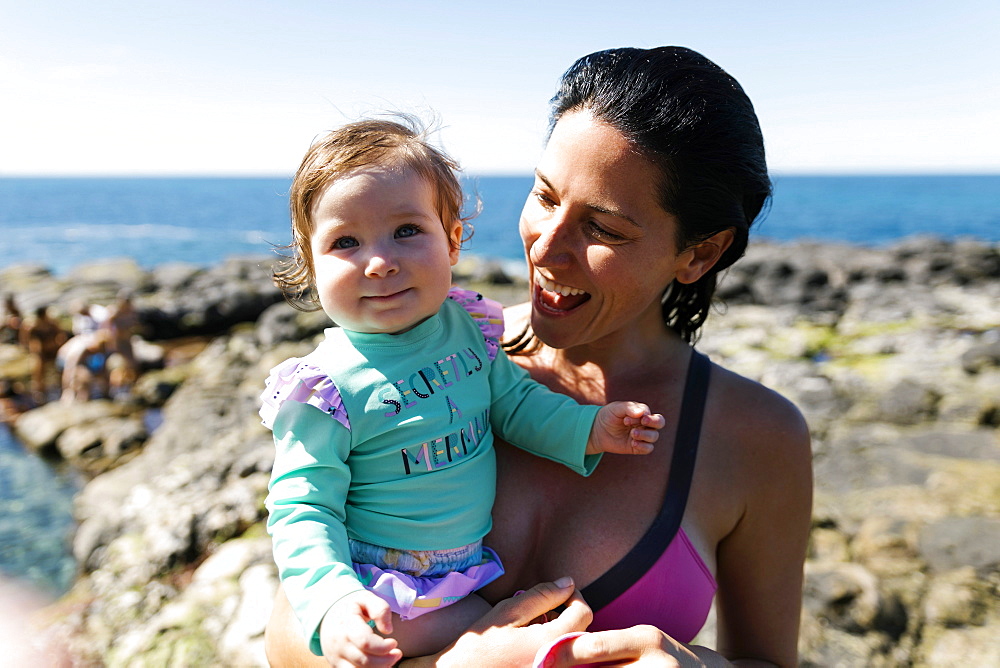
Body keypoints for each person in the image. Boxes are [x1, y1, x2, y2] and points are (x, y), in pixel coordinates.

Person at [265, 46, 813, 668]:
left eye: (604, 228)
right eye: (546, 197)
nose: (546, 250)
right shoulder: (421, 358)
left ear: (700, 253)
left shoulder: (759, 437)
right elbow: (289, 632)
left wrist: (693, 665)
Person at [261, 117, 666, 665]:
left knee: (545, 637)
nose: (380, 261)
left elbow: (514, 404)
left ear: (452, 242)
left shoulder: (470, 327)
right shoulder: (325, 387)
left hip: (462, 575)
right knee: (542, 643)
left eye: (407, 230)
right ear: (310, 267)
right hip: (379, 588)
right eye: (346, 242)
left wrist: (589, 427)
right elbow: (302, 508)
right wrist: (334, 603)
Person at [21, 306, 68, 404]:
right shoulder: (32, 326)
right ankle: (39, 393)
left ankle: (63, 387)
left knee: (60, 368)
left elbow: (61, 334)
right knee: (38, 372)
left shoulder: (51, 323)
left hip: (53, 350)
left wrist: (59, 345)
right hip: (41, 353)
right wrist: (31, 348)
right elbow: (25, 339)